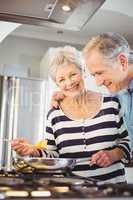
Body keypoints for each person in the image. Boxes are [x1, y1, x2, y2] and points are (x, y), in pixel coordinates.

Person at [11, 46, 131, 184]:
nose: (69, 83)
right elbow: (54, 156)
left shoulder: (112, 103)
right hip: (74, 192)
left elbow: (129, 142)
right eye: (61, 79)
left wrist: (113, 154)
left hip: (114, 191)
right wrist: (34, 151)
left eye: (73, 74)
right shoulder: (54, 115)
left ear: (83, 71)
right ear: (57, 83)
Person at [83, 32, 133, 149]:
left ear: (122, 62)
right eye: (94, 75)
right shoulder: (118, 90)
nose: (98, 83)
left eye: (100, 73)